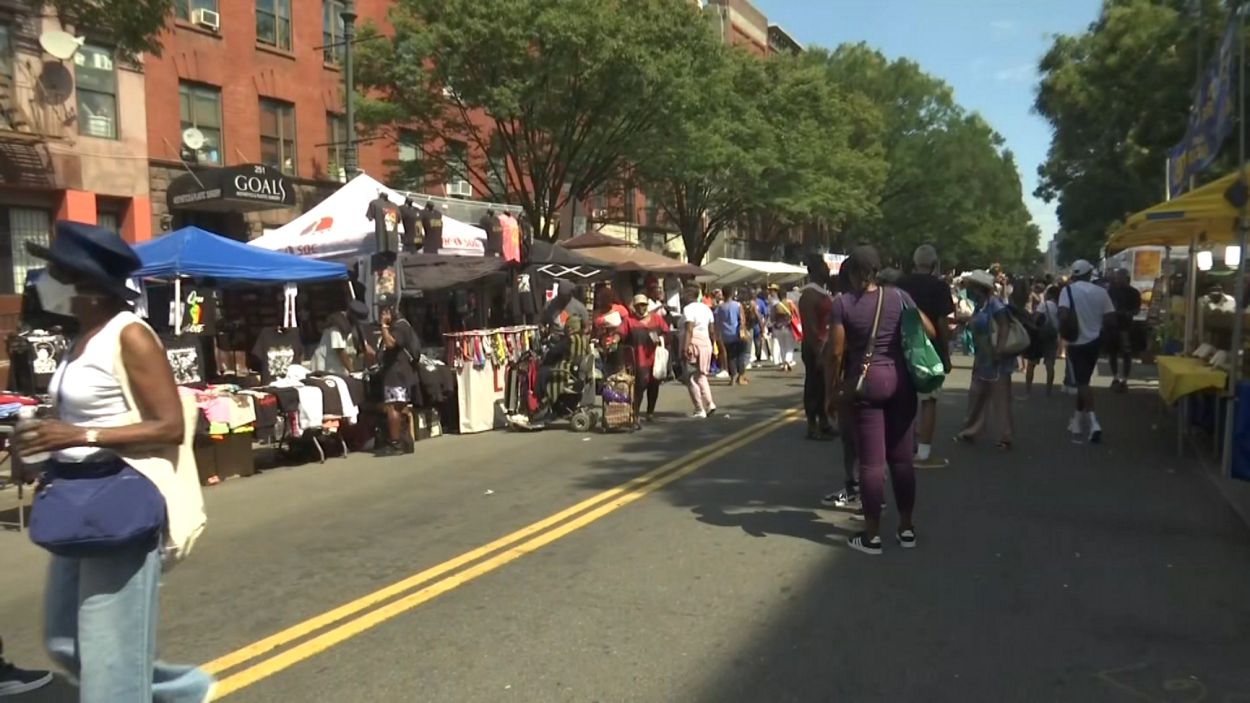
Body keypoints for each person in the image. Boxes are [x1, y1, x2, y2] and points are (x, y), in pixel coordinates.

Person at [17, 222, 214, 702]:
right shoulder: (80, 338)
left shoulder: (130, 336)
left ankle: (153, 691)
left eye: (53, 271)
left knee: (109, 658)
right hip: (75, 497)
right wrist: (45, 444)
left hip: (120, 498)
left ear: (83, 282)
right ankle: (183, 691)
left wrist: (80, 435)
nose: (43, 281)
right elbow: (82, 416)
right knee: (66, 639)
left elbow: (170, 425)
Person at [826, 245, 933, 556]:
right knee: (902, 460)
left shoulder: (843, 304)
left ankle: (872, 536)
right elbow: (927, 329)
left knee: (872, 464)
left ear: (852, 273)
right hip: (901, 382)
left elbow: (835, 352)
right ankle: (907, 529)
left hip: (867, 384)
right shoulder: (899, 297)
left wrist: (832, 392)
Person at [896, 244, 954, 468]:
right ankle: (923, 454)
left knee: (904, 399)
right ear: (934, 264)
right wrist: (946, 354)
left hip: (903, 346)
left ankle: (901, 447)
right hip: (930, 349)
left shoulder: (901, 284)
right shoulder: (940, 286)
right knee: (929, 400)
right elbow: (942, 322)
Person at [955, 270, 1016, 450]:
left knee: (1000, 398)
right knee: (977, 395)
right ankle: (972, 430)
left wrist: (999, 350)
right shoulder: (980, 305)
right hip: (983, 356)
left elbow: (1004, 326)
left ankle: (1005, 436)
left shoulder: (995, 304)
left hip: (996, 356)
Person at [1058, 259, 1116, 443]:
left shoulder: (1067, 291)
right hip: (1095, 341)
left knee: (1082, 383)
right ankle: (1076, 420)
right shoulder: (1101, 292)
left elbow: (1063, 315)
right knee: (1085, 381)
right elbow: (1110, 318)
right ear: (1089, 273)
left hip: (1076, 342)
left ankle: (1094, 423)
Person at [375, 295, 421, 456]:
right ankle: (405, 441)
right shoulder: (398, 325)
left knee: (393, 406)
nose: (381, 313)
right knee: (400, 406)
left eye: (384, 310)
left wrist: (383, 326)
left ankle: (396, 443)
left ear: (391, 309)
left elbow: (390, 344)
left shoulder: (400, 326)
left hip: (397, 372)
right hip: (398, 372)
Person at [797, 253, 836, 440]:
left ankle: (824, 421)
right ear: (816, 271)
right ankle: (812, 425)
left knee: (823, 386)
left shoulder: (822, 292)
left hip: (826, 345)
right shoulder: (809, 294)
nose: (828, 270)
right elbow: (810, 327)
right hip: (815, 347)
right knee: (814, 385)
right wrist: (818, 351)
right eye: (824, 267)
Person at [619, 294, 670, 422]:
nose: (641, 308)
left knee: (654, 385)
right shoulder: (629, 321)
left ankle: (650, 412)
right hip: (638, 359)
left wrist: (660, 339)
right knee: (639, 386)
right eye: (639, 305)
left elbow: (666, 332)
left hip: (655, 359)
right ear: (635, 307)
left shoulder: (657, 319)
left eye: (644, 305)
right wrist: (614, 339)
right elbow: (620, 333)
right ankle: (635, 414)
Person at [681, 285, 717, 418]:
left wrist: (684, 348)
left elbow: (689, 329)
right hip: (706, 343)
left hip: (693, 344)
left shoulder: (688, 309)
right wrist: (713, 345)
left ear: (689, 295)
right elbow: (712, 330)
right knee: (701, 376)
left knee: (691, 378)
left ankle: (699, 408)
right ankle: (710, 403)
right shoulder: (707, 309)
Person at [1106, 269, 1142, 392]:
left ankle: (1124, 379)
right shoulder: (1111, 291)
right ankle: (1115, 377)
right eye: (1117, 277)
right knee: (1112, 352)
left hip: (1125, 327)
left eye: (1120, 277)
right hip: (1112, 326)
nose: (1118, 279)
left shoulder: (1133, 292)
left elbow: (1137, 310)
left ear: (1126, 278)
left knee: (1126, 353)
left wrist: (1127, 313)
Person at [311, 300, 369, 374]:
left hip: (340, 365)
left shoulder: (355, 325)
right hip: (325, 364)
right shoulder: (337, 324)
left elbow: (365, 346)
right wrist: (352, 371)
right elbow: (340, 350)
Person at [1024, 284, 1061, 396]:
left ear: (1049, 294)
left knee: (1031, 364)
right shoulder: (1060, 306)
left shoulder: (1044, 305)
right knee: (1050, 365)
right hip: (1052, 336)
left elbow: (1035, 319)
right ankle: (1048, 391)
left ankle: (1028, 390)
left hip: (1040, 336)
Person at [714, 288, 749, 385]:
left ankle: (732, 377)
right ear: (732, 294)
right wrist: (743, 330)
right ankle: (741, 377)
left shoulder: (719, 307)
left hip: (726, 335)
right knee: (740, 355)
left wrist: (718, 334)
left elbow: (717, 322)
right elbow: (742, 319)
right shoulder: (737, 305)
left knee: (730, 356)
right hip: (737, 334)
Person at [769, 285, 799, 372]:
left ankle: (783, 363)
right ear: (786, 295)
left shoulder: (776, 305)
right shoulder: (790, 303)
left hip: (778, 328)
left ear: (778, 296)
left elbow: (772, 318)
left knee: (782, 346)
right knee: (789, 346)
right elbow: (796, 314)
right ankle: (787, 360)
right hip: (788, 327)